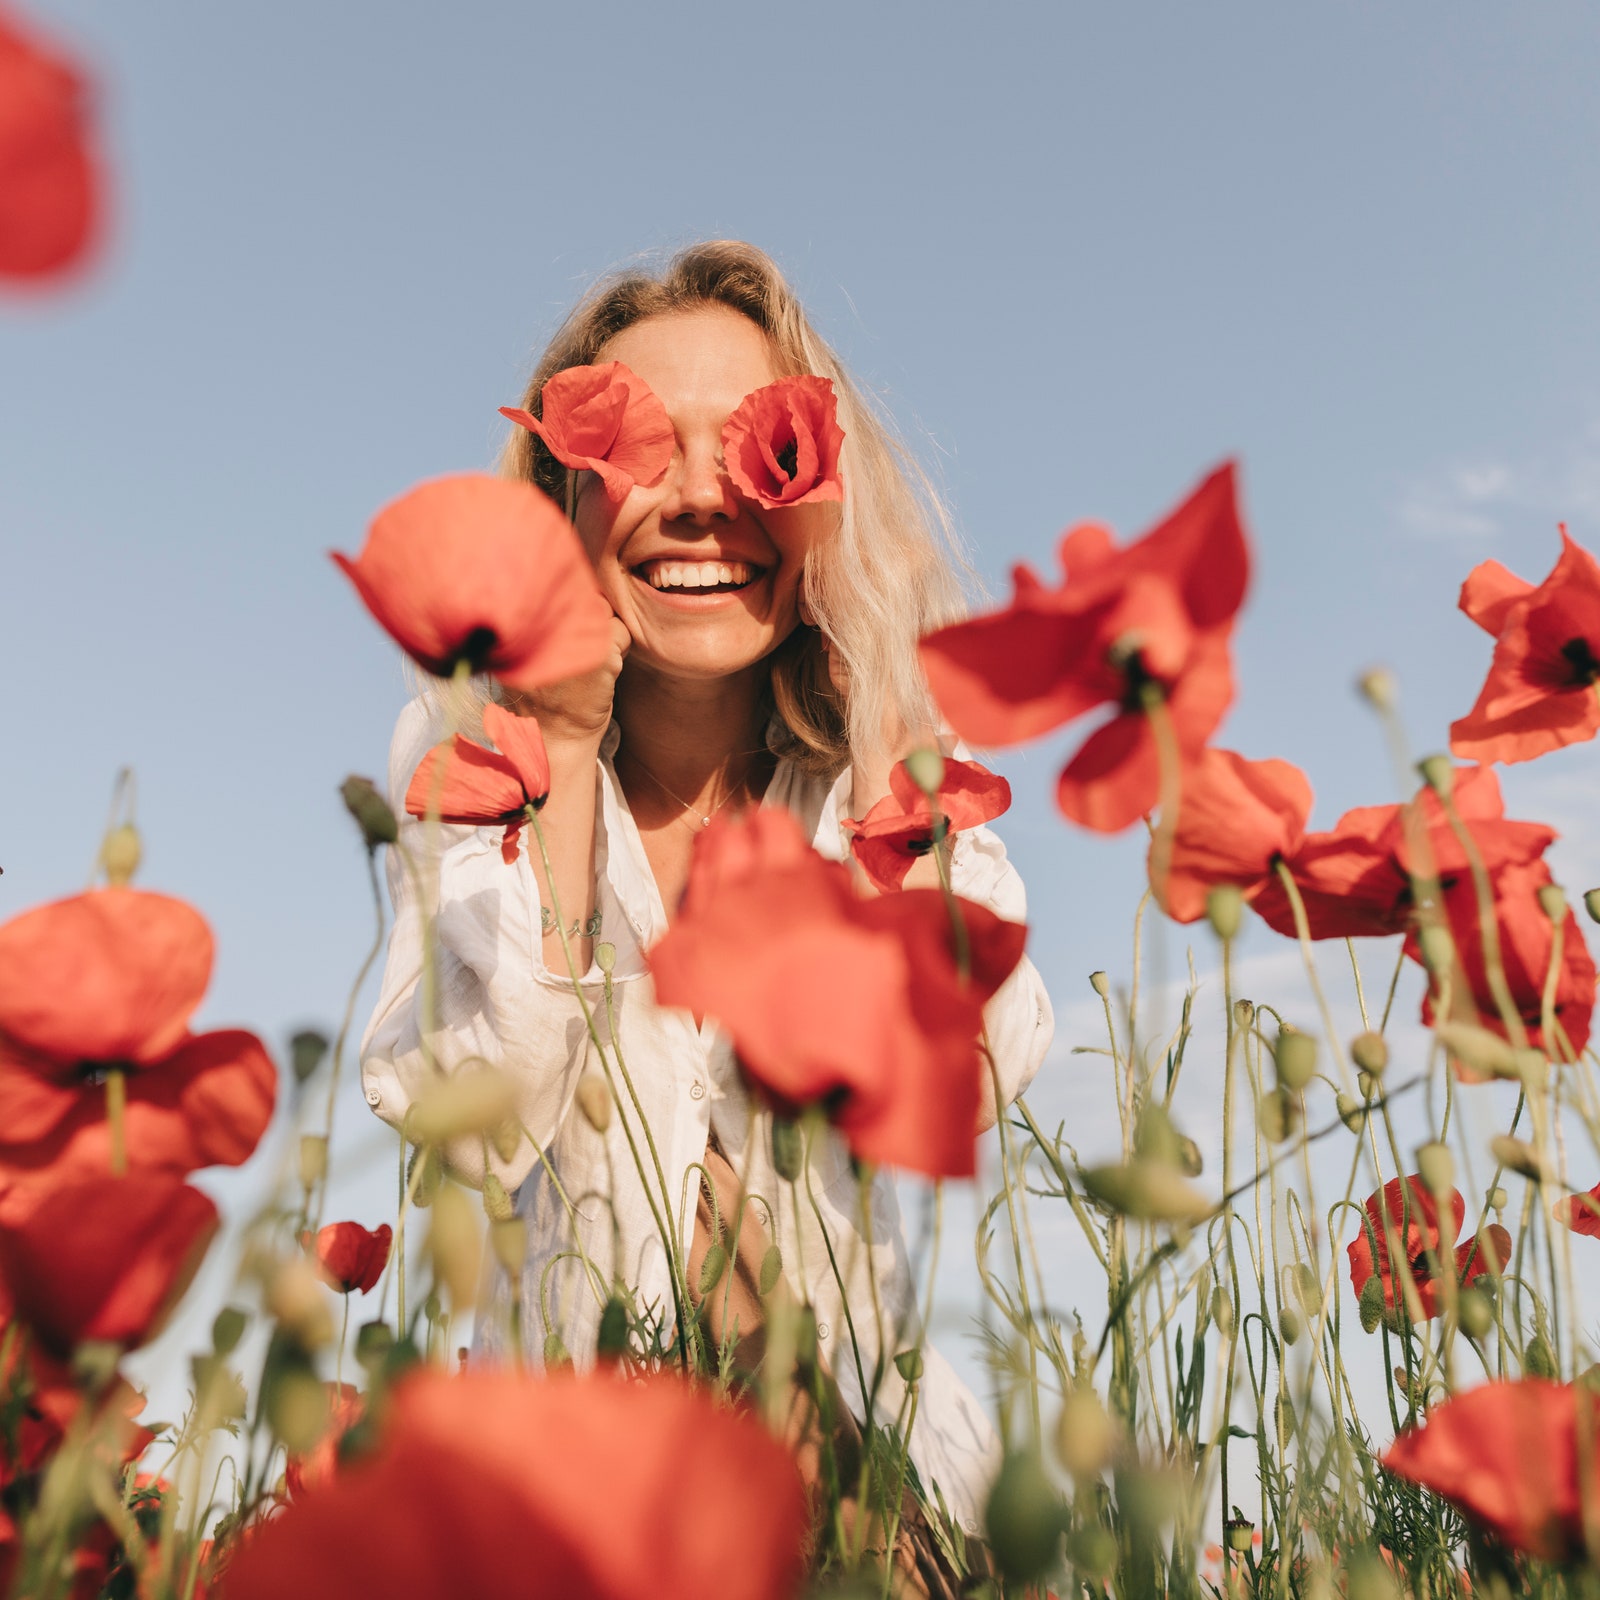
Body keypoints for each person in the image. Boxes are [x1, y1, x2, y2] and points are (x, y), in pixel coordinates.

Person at [359, 240, 1053, 1581]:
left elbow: (965, 1077)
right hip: (572, 1511)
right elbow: (481, 1116)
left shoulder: (896, 769)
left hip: (876, 1501)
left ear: (823, 493)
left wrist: (877, 704)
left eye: (758, 451)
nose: (695, 500)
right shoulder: (464, 748)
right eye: (633, 447)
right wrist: (558, 741)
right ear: (564, 488)